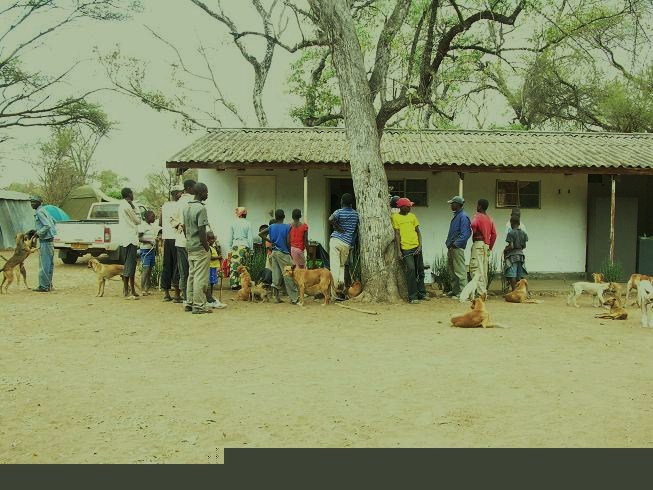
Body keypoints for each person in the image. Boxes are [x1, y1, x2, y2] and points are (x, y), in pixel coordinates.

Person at [392, 197, 429, 304]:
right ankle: (413, 297)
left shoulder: (413, 216)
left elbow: (418, 232)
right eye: (408, 206)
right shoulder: (395, 217)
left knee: (420, 270)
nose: (410, 208)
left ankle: (422, 293)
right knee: (412, 270)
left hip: (417, 247)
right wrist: (399, 251)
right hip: (406, 249)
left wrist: (420, 246)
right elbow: (397, 234)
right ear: (401, 207)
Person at [182, 182, 212, 314]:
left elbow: (184, 227)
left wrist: (189, 240)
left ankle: (189, 303)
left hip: (189, 246)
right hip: (200, 247)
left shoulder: (186, 207)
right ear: (200, 193)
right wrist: (207, 247)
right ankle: (199, 306)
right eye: (206, 192)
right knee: (200, 277)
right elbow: (202, 231)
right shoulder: (201, 208)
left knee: (192, 275)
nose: (207, 194)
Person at [258, 209, 299, 304]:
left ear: (275, 217)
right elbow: (288, 241)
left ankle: (276, 297)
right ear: (284, 216)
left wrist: (270, 240)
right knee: (289, 276)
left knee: (276, 275)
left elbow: (260, 234)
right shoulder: (287, 227)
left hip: (274, 253)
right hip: (283, 252)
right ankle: (294, 299)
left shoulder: (271, 226)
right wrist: (289, 252)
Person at [170, 179, 196, 304]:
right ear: (190, 188)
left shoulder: (178, 202)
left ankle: (185, 297)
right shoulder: (192, 201)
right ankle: (192, 297)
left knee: (183, 271)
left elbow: (172, 221)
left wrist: (179, 227)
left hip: (179, 241)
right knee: (194, 271)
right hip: (191, 242)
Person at [328, 193, 359, 291]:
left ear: (341, 201)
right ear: (351, 203)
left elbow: (330, 219)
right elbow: (355, 232)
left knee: (334, 267)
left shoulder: (339, 212)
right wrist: (352, 244)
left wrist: (337, 227)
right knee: (342, 266)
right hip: (346, 243)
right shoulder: (356, 214)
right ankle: (341, 284)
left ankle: (334, 292)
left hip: (335, 241)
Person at [445, 195, 471, 299]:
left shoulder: (463, 217)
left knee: (460, 270)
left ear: (457, 204)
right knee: (452, 270)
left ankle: (463, 292)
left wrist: (455, 244)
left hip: (457, 247)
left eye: (452, 203)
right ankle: (455, 290)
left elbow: (466, 234)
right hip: (451, 247)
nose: (451, 205)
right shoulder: (457, 216)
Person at [470, 198, 497, 295]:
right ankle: (483, 290)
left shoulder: (477, 216)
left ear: (480, 206)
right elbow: (494, 234)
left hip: (478, 244)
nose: (476, 207)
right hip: (486, 246)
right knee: (484, 270)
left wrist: (473, 230)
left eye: (477, 205)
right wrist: (490, 247)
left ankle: (481, 293)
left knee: (476, 269)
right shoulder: (490, 219)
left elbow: (473, 224)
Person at [160, 185, 183, 302]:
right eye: (181, 193)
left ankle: (166, 293)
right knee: (177, 266)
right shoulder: (179, 205)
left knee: (167, 265)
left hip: (166, 238)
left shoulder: (165, 205)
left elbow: (160, 221)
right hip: (176, 238)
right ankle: (177, 295)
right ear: (176, 194)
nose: (182, 195)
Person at [118, 187, 142, 300]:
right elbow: (138, 220)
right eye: (132, 193)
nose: (133, 195)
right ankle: (127, 291)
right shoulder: (128, 206)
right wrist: (135, 207)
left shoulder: (121, 205)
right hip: (130, 238)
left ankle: (131, 289)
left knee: (129, 264)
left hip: (125, 238)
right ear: (129, 194)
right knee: (130, 264)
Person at [30, 196, 56, 293]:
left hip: (45, 242)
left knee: (44, 264)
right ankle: (49, 285)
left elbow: (48, 225)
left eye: (33, 202)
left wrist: (38, 233)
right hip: (50, 241)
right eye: (31, 202)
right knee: (49, 264)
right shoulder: (44, 210)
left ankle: (43, 286)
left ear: (39, 203)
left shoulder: (40, 212)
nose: (31, 204)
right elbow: (53, 222)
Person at [228, 207, 254, 289]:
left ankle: (234, 284)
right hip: (245, 246)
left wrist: (229, 249)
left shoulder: (233, 223)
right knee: (244, 266)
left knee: (234, 265)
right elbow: (250, 238)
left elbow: (230, 237)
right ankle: (242, 283)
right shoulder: (248, 223)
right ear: (245, 214)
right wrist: (251, 250)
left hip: (235, 246)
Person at [504, 216, 529, 291]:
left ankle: (514, 290)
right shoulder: (524, 233)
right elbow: (524, 246)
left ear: (512, 223)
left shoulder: (511, 233)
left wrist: (505, 249)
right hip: (521, 255)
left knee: (512, 274)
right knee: (520, 274)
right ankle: (520, 290)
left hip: (512, 256)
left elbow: (511, 246)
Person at [138, 210, 159, 296]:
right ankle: (142, 289)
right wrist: (150, 241)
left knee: (150, 270)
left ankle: (147, 288)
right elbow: (139, 238)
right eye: (152, 217)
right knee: (145, 270)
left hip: (151, 250)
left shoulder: (150, 226)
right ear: (147, 217)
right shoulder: (143, 226)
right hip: (145, 250)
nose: (154, 218)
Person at [207, 231, 227, 309]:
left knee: (212, 283)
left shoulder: (213, 247)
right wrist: (218, 257)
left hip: (214, 268)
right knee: (210, 283)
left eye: (213, 239)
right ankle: (209, 298)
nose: (212, 241)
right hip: (210, 268)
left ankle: (211, 297)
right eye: (210, 239)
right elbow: (210, 257)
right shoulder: (208, 248)